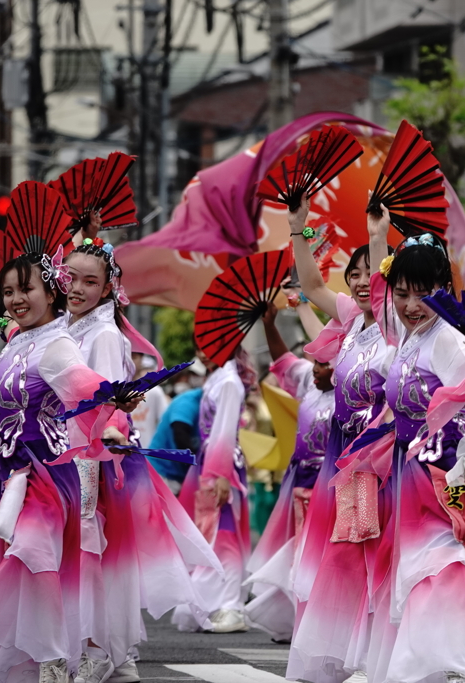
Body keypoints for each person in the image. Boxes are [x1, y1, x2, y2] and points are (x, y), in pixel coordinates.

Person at [0, 246, 133, 683]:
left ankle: (52, 658)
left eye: (25, 288)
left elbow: (85, 386)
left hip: (46, 473)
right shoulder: (15, 342)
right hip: (1, 473)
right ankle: (32, 657)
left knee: (34, 550)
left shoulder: (57, 344)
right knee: (10, 559)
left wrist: (114, 400)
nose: (14, 299)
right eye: (8, 291)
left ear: (51, 291)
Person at [361, 206, 465, 683]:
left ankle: (449, 666)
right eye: (401, 293)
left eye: (423, 294)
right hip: (410, 473)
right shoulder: (408, 338)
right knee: (417, 567)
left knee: (442, 563)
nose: (410, 304)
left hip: (448, 468)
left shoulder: (446, 338)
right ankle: (431, 666)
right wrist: (377, 235)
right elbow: (377, 299)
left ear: (443, 291)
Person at [64, 237, 222, 683]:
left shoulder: (104, 334)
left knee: (97, 555)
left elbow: (110, 401)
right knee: (86, 555)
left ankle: (103, 650)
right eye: (71, 278)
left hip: (97, 457)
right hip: (74, 455)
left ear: (108, 290)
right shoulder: (68, 327)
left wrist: (105, 435)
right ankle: (111, 652)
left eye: (89, 281)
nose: (76, 288)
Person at [285, 195, 393, 683]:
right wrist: (299, 226)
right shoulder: (351, 319)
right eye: (354, 272)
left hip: (384, 459)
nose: (359, 280)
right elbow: (309, 284)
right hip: (342, 456)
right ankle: (345, 653)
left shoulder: (395, 322)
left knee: (376, 552)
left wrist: (376, 235)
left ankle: (376, 656)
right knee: (345, 554)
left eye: (371, 272)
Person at [244, 303, 335, 642]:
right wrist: (269, 324)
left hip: (330, 489)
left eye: (324, 362)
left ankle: (317, 622)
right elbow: (284, 362)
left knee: (322, 557)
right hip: (300, 486)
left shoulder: (347, 395)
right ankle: (297, 619)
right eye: (314, 360)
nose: (315, 368)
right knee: (300, 553)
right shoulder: (310, 383)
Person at [173, 344, 252, 634]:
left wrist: (221, 475)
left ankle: (230, 605)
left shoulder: (229, 381)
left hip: (221, 465)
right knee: (210, 535)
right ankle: (211, 604)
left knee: (226, 536)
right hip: (209, 463)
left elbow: (225, 430)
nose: (204, 353)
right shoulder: (218, 377)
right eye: (200, 347)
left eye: (210, 347)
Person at [148, 382, 203, 493]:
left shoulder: (213, 406)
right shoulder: (189, 401)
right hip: (163, 472)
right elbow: (180, 436)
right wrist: (201, 470)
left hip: (180, 476)